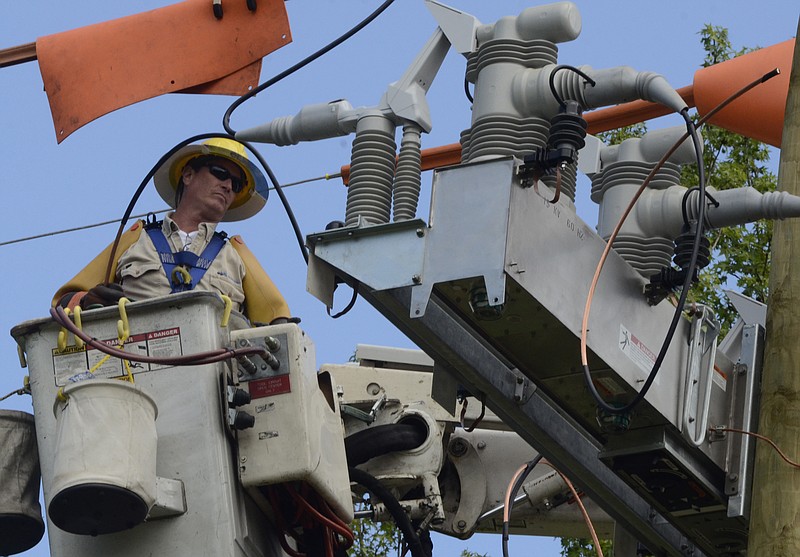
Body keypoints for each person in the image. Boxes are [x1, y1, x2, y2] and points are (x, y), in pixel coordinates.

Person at [53, 138, 291, 325]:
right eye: (220, 172)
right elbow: (63, 301)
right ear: (188, 175)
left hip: (212, 373)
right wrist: (86, 301)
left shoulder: (236, 256)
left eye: (236, 184)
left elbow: (277, 319)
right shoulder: (137, 239)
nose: (228, 186)